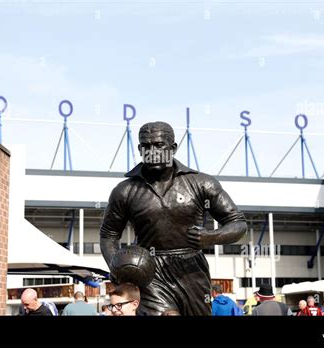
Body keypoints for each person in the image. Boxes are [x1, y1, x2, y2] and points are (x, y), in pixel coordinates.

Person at [100, 121, 247, 316]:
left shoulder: (202, 183)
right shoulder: (125, 190)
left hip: (192, 269)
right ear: (139, 149)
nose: (152, 151)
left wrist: (212, 237)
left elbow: (238, 223)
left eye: (159, 145)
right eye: (146, 146)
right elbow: (108, 235)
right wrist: (118, 267)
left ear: (173, 148)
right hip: (150, 271)